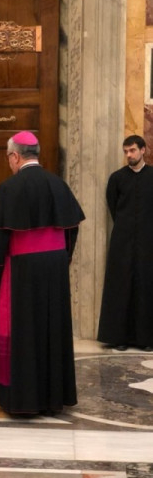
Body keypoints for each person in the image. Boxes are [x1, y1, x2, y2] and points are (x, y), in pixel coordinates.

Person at [0, 131, 85, 415]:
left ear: (15, 156)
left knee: (23, 333)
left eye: (8, 157)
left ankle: (23, 400)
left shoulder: (8, 188)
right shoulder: (59, 184)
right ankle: (52, 398)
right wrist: (61, 261)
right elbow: (72, 229)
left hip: (22, 271)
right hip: (54, 268)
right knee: (52, 330)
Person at [98, 135, 153, 352]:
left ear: (143, 150)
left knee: (146, 286)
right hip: (122, 241)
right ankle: (119, 337)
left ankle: (146, 339)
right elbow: (113, 207)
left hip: (148, 241)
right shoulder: (117, 178)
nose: (129, 155)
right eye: (126, 151)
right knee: (121, 286)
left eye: (132, 150)